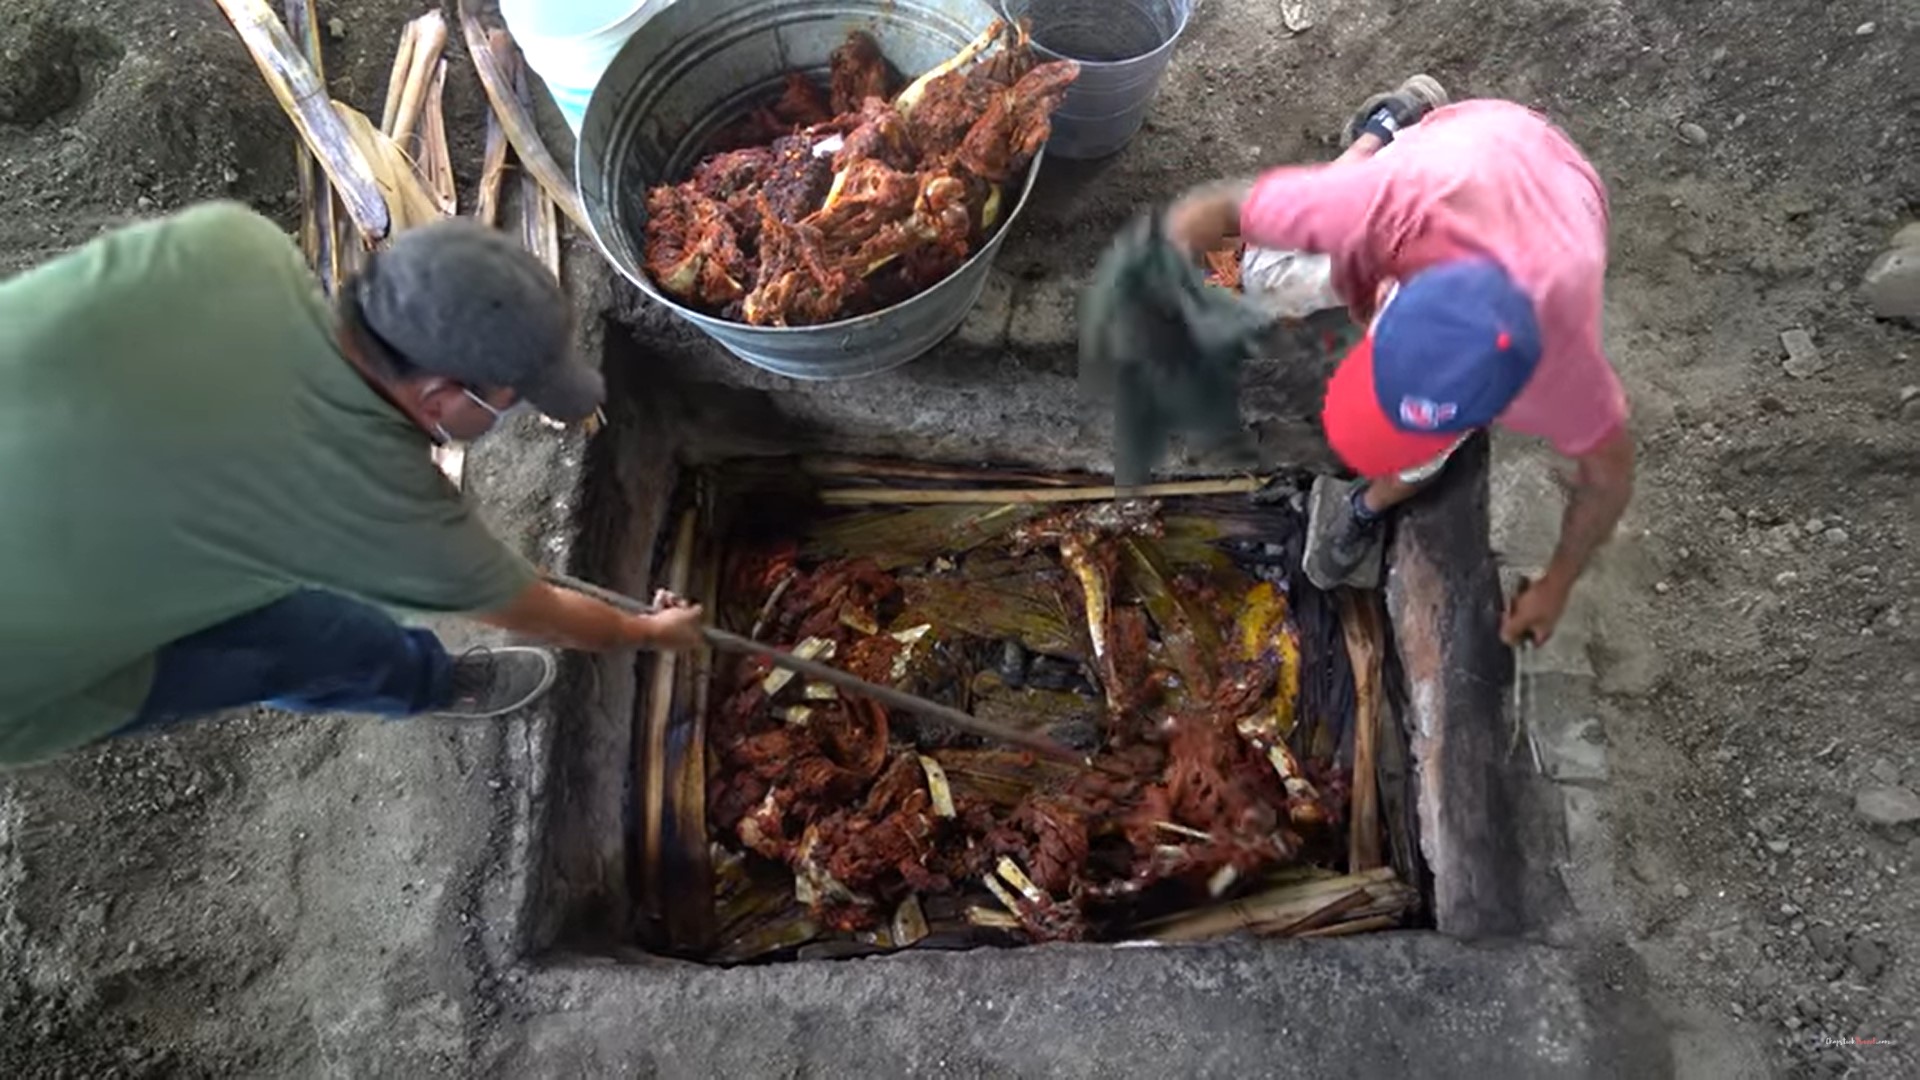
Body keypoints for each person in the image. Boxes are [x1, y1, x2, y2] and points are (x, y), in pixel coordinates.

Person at [0, 201, 705, 769]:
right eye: (509, 397)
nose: (511, 412)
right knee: (281, 646)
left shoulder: (234, 246)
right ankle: (423, 682)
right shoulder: (380, 507)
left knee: (276, 584)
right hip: (26, 664)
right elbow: (540, 614)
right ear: (438, 395)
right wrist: (645, 631)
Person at [1164, 81, 1633, 646]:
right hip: (1482, 143)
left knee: (1425, 445)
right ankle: (1399, 117)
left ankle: (1363, 509)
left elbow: (1607, 479)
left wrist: (1557, 584)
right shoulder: (1385, 207)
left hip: (1557, 181)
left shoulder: (1554, 362)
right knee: (1253, 273)